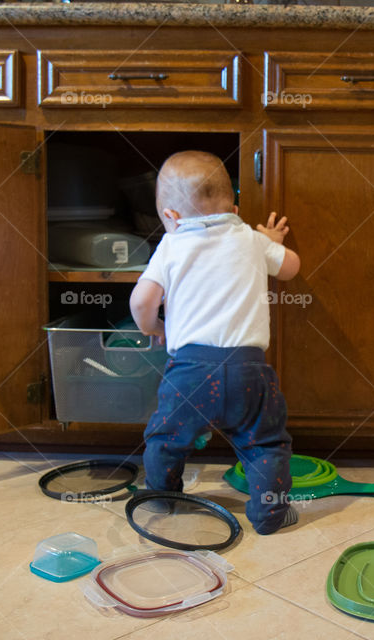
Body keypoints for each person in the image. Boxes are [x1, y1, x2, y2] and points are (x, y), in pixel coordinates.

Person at [129, 150, 301, 534]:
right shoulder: (251, 238)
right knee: (266, 444)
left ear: (170, 217)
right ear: (234, 207)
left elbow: (141, 301)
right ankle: (269, 516)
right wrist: (270, 241)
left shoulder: (171, 245)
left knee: (166, 439)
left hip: (189, 375)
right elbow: (291, 267)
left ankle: (161, 498)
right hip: (249, 372)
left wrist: (154, 329)